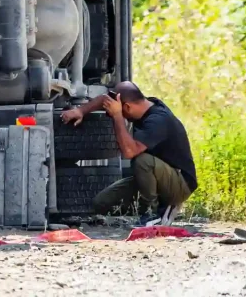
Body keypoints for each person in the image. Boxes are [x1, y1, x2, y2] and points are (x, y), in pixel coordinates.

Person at [60, 81, 197, 225]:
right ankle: (151, 206)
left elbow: (130, 152)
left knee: (142, 160)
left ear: (126, 107)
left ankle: (153, 214)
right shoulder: (143, 105)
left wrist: (117, 115)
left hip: (180, 184)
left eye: (122, 110)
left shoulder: (157, 121)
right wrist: (80, 111)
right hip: (156, 177)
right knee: (101, 203)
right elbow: (104, 99)